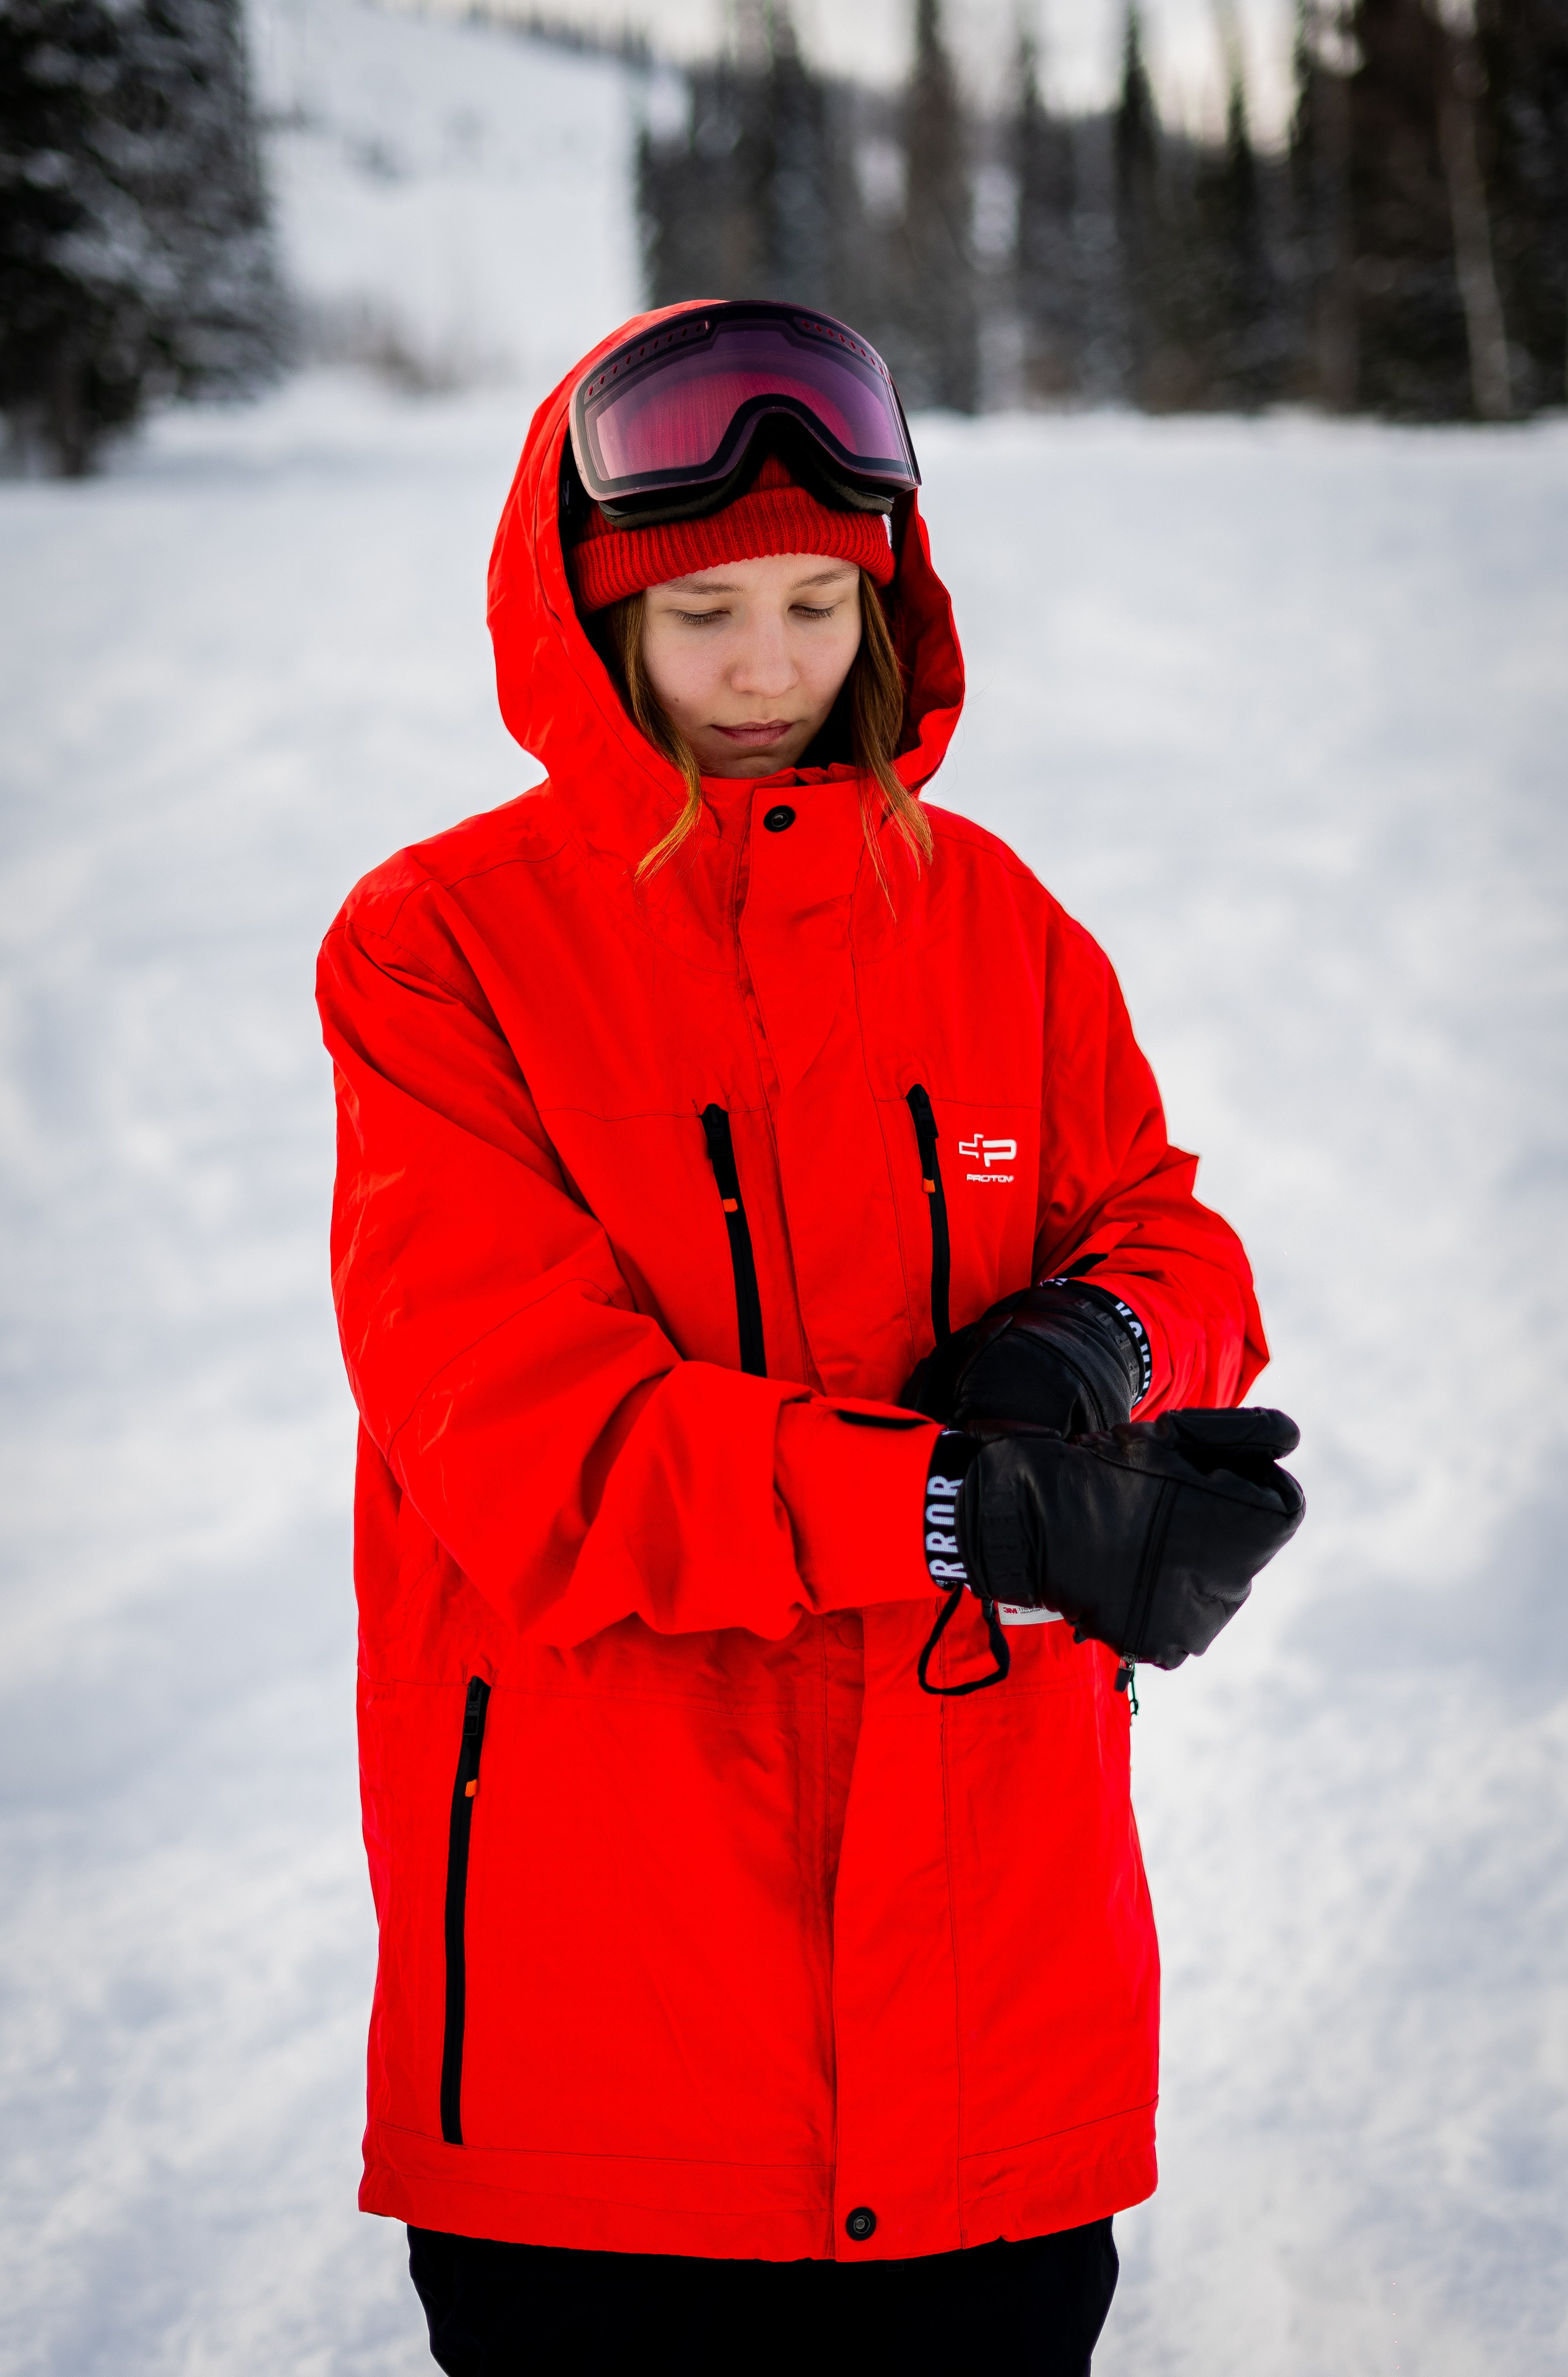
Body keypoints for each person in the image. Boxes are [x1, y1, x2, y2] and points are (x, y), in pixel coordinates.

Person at [316, 301, 1304, 2372]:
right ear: (592, 625)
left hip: (992, 2026)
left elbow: (1173, 1232)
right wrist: (972, 1513)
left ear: (891, 602)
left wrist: (1090, 1359)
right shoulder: (441, 951)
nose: (767, 672)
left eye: (814, 604)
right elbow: (530, 1442)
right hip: (615, 2036)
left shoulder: (997, 916)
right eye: (699, 618)